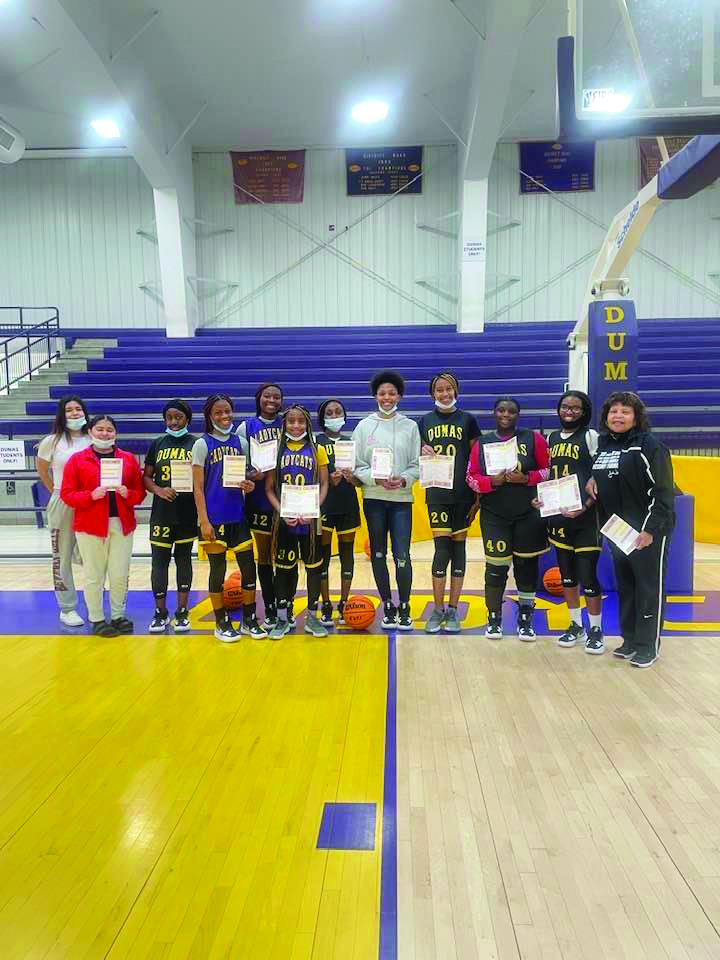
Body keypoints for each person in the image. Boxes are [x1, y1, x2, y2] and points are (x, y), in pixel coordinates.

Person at [588, 390, 675, 668]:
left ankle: (648, 646)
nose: (618, 416)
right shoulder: (604, 446)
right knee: (626, 586)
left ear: (636, 418)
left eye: (625, 411)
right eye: (613, 411)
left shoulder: (650, 446)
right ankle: (630, 640)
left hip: (647, 532)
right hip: (618, 531)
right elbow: (605, 476)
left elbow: (663, 493)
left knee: (648, 588)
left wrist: (649, 531)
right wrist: (592, 480)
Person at [466, 397, 549, 641]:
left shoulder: (533, 438)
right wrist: (492, 481)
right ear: (494, 413)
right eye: (501, 410)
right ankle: (494, 618)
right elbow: (471, 477)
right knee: (496, 567)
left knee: (526, 566)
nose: (506, 414)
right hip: (495, 514)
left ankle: (525, 618)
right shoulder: (482, 443)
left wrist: (527, 478)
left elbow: (548, 470)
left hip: (528, 514)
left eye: (511, 411)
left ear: (517, 415)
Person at [60, 415, 145, 637]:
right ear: (90, 432)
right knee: (94, 575)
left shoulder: (128, 459)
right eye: (100, 429)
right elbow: (67, 494)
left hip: (122, 524)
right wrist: (90, 496)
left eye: (109, 429)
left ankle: (118, 615)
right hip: (90, 525)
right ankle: (96, 618)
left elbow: (140, 493)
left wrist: (128, 494)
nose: (105, 433)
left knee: (119, 574)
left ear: (115, 433)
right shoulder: (77, 460)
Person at [192, 394, 267, 643]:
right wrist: (204, 521)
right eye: (218, 412)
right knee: (218, 569)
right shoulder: (202, 444)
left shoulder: (240, 442)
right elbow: (198, 488)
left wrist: (249, 485)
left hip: (238, 515)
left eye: (227, 411)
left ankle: (248, 619)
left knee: (249, 569)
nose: (224, 416)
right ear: (209, 416)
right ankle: (221, 622)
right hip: (214, 518)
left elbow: (246, 477)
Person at [352, 370, 421, 631]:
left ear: (399, 396)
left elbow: (416, 464)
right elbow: (357, 465)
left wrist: (404, 479)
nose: (387, 397)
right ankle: (388, 605)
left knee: (402, 554)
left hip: (402, 499)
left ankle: (405, 605)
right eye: (382, 393)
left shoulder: (410, 426)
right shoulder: (364, 426)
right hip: (374, 499)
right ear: (375, 396)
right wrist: (375, 479)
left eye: (392, 393)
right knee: (378, 554)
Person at [417, 373, 481, 633]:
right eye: (439, 390)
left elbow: (476, 457)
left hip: (463, 494)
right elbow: (417, 452)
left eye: (449, 389)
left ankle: (453, 609)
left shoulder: (468, 420)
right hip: (437, 493)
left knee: (459, 550)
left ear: (456, 391)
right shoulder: (424, 421)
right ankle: (438, 608)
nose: (444, 394)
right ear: (432, 394)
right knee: (441, 551)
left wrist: (478, 496)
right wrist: (421, 449)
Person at [545, 390, 605, 654]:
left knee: (588, 575)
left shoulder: (590, 436)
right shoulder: (551, 438)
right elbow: (548, 475)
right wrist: (541, 499)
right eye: (565, 406)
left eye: (575, 408)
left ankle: (596, 629)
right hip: (559, 514)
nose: (569, 411)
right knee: (567, 576)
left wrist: (587, 505)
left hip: (586, 517)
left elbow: (599, 474)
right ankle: (576, 625)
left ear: (584, 412)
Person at [265, 404, 330, 639]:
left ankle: (312, 617)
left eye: (301, 421)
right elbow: (269, 489)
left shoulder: (317, 449)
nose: (296, 425)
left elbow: (324, 483)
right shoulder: (276, 451)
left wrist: (314, 508)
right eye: (291, 421)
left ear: (308, 424)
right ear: (284, 424)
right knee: (284, 569)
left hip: (311, 520)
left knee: (314, 568)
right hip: (285, 520)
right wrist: (282, 512)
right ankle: (283, 618)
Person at [36, 395, 92, 627]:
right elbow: (42, 470)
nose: (74, 413)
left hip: (90, 501)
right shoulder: (52, 441)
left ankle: (95, 604)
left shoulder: (93, 438)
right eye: (69, 410)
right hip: (63, 500)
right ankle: (67, 608)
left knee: (93, 555)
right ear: (62, 414)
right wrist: (57, 493)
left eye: (78, 409)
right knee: (61, 555)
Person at [143, 400, 198, 633]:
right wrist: (158, 489)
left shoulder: (197, 443)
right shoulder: (157, 443)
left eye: (179, 417)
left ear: (187, 419)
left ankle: (182, 612)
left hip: (187, 511)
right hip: (162, 513)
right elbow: (146, 477)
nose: (174, 422)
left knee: (184, 560)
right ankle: (160, 612)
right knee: (159, 562)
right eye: (169, 417)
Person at [238, 382, 284, 628]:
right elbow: (236, 464)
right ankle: (270, 607)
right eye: (267, 396)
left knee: (285, 557)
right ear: (259, 398)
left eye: (276, 397)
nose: (272, 400)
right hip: (259, 501)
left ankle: (284, 605)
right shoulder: (246, 427)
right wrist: (249, 474)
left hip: (288, 498)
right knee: (265, 557)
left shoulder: (290, 423)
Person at [315, 399, 362, 626]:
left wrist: (354, 479)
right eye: (330, 413)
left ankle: (344, 603)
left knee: (347, 555)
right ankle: (325, 603)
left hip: (348, 504)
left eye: (338, 412)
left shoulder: (351, 443)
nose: (334, 416)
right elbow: (310, 475)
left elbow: (360, 480)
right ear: (322, 417)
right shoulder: (316, 442)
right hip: (325, 505)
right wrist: (326, 480)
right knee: (323, 556)